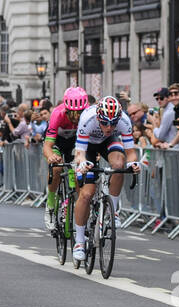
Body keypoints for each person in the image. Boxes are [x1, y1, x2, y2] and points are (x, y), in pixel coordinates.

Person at [71, 96, 140, 263]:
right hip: (88, 147)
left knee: (119, 164)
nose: (109, 127)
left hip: (108, 143)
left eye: (113, 123)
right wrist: (83, 164)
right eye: (104, 123)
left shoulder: (124, 120)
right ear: (98, 117)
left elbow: (130, 152)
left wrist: (134, 164)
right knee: (86, 195)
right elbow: (79, 154)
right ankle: (79, 242)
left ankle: (112, 211)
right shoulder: (87, 119)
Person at [42, 86, 89, 231]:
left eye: (79, 113)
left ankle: (80, 210)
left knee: (79, 171)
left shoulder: (88, 114)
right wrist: (51, 156)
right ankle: (50, 205)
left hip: (76, 143)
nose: (76, 118)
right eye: (72, 114)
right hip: (58, 142)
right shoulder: (57, 114)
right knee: (56, 168)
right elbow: (47, 146)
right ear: (66, 109)